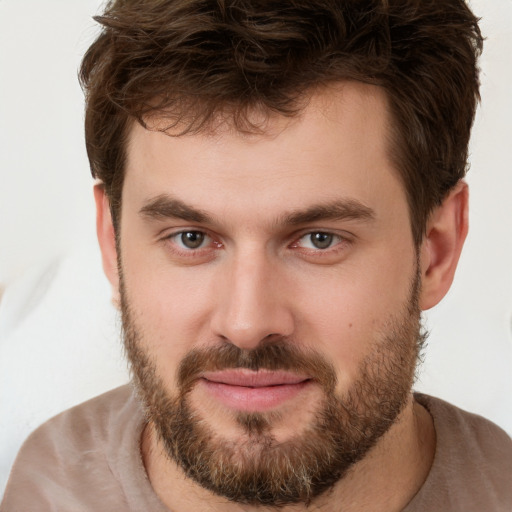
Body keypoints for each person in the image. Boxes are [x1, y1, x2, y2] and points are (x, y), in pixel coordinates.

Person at [2, 0, 511, 510]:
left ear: (435, 251)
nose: (246, 324)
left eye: (319, 239)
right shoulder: (40, 486)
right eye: (191, 238)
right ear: (112, 246)